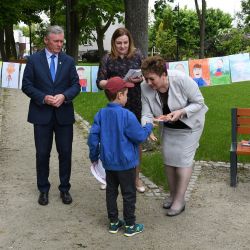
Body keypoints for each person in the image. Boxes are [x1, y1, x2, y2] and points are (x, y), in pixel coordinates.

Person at [141, 56, 208, 216]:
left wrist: (182, 112)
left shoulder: (182, 80)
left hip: (191, 125)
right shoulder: (144, 87)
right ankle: (172, 195)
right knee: (169, 160)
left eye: (152, 79)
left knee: (183, 160)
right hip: (170, 127)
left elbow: (199, 102)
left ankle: (179, 200)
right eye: (146, 78)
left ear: (164, 74)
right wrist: (147, 128)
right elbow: (146, 113)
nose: (148, 83)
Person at [22, 25, 80, 206]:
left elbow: (76, 85)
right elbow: (27, 85)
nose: (59, 44)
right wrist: (43, 98)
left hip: (63, 115)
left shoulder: (69, 61)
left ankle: (65, 189)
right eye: (56, 41)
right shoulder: (33, 60)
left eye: (62, 41)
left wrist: (64, 96)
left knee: (65, 153)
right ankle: (43, 190)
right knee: (42, 154)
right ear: (46, 40)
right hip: (41, 115)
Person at [88, 76, 153, 236]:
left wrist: (94, 156)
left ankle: (113, 223)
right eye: (126, 94)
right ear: (119, 95)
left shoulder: (101, 114)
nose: (127, 97)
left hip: (109, 163)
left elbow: (92, 138)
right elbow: (138, 137)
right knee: (129, 193)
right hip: (126, 164)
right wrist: (149, 127)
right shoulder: (128, 115)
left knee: (111, 192)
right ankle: (130, 225)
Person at [96, 27, 146, 192]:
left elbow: (146, 74)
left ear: (129, 41)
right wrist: (114, 82)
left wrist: (140, 77)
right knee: (111, 139)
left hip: (134, 103)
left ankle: (136, 178)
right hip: (115, 105)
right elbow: (100, 82)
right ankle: (107, 176)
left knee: (136, 140)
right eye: (119, 43)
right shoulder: (108, 59)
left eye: (125, 42)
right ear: (113, 43)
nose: (123, 46)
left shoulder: (138, 55)